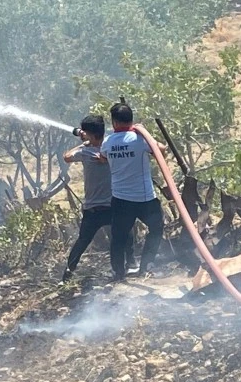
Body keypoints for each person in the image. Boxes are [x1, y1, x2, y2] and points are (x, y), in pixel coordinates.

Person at [100, 103, 167, 281]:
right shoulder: (140, 140)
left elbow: (103, 157)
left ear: (114, 121)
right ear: (132, 119)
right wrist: (144, 132)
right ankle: (146, 265)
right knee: (157, 228)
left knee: (118, 237)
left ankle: (118, 272)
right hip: (145, 199)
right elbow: (162, 150)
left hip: (121, 199)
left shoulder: (108, 142)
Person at [60, 114, 112, 283]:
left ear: (89, 133)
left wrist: (82, 143)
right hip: (112, 204)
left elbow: (67, 157)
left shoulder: (85, 151)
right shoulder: (111, 146)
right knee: (120, 238)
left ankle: (68, 274)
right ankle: (125, 269)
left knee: (83, 241)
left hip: (93, 207)